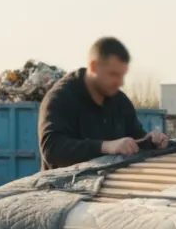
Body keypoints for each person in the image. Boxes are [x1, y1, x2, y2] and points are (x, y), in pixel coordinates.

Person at [38, 37, 168, 170]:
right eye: (113, 74)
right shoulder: (60, 98)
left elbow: (135, 139)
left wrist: (151, 141)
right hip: (62, 188)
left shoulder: (120, 101)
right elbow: (52, 149)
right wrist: (105, 147)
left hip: (113, 186)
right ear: (94, 67)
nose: (119, 82)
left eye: (121, 76)